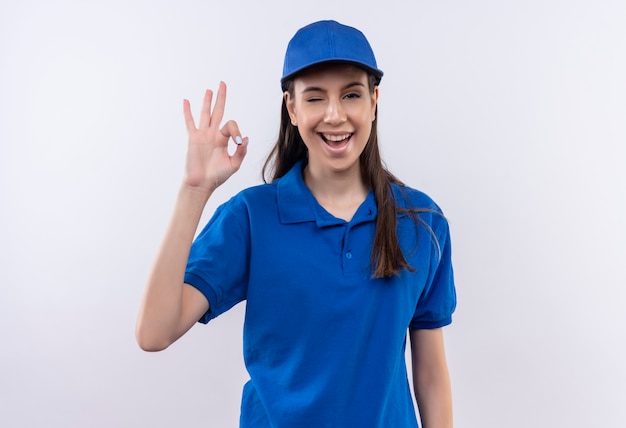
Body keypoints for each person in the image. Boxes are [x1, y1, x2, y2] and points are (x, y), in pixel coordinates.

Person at [136, 20, 456, 428]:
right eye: (315, 98)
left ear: (374, 101)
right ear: (292, 108)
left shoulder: (422, 223)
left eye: (351, 95)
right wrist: (194, 191)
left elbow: (429, 375)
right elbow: (154, 333)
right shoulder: (251, 218)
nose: (335, 115)